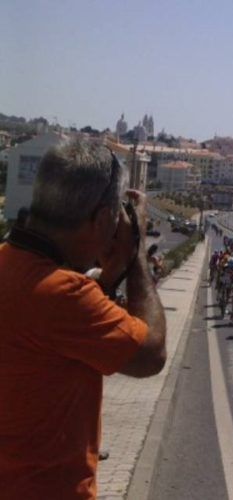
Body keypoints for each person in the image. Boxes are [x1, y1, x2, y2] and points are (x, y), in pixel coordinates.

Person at [0, 139, 167, 499]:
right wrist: (136, 256)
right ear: (104, 219)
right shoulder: (65, 295)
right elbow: (151, 354)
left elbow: (58, 337)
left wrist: (108, 277)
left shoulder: (10, 264)